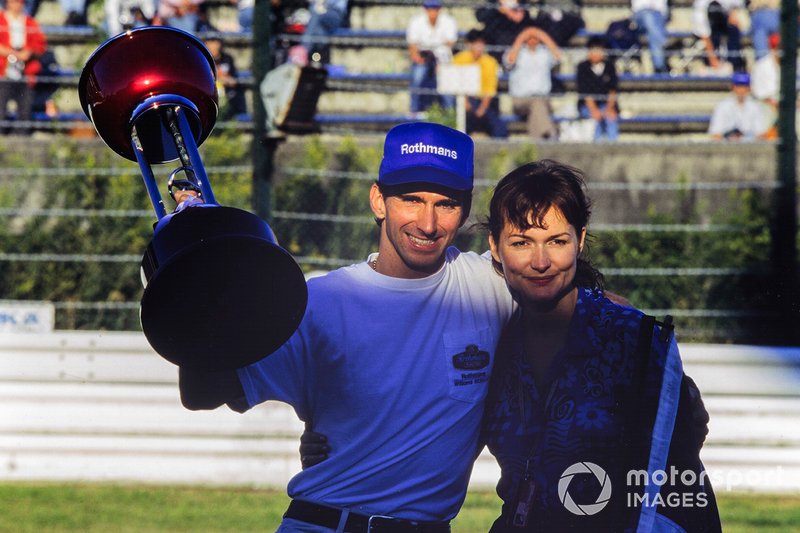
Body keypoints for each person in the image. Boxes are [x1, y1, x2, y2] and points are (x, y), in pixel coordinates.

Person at [178, 122, 517, 531]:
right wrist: (196, 286)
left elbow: (588, 305)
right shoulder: (319, 302)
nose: (428, 223)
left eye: (445, 203)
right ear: (378, 200)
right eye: (410, 199)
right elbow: (202, 392)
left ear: (465, 209)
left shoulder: (494, 288)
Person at [481, 160, 722, 532]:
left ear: (579, 240)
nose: (541, 262)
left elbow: (685, 462)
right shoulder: (487, 337)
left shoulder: (634, 338)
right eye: (521, 243)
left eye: (557, 241)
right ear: (495, 247)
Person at [503, 26, 561, 140]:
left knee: (536, 109)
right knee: (537, 104)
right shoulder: (518, 53)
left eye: (535, 37)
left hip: (543, 99)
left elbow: (558, 56)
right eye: (529, 37)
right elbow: (510, 61)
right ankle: (551, 134)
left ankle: (537, 141)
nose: (532, 39)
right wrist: (522, 36)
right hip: (521, 99)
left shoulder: (545, 54)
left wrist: (541, 34)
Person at [0, 0, 46, 135]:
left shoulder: (30, 23)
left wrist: (28, 52)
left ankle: (20, 140)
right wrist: (10, 53)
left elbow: (40, 46)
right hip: (4, 71)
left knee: (25, 111)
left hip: (25, 72)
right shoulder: (1, 20)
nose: (17, 5)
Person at [452, 28, 508, 138]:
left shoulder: (490, 62)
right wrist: (465, 102)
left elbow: (490, 89)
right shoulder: (459, 60)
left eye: (481, 44)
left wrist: (482, 108)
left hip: (484, 101)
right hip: (464, 100)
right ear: (469, 44)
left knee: (500, 128)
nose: (479, 47)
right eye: (476, 44)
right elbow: (455, 83)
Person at [405, 0, 457, 116]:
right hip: (423, 55)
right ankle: (414, 110)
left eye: (435, 8)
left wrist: (437, 56)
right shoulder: (416, 21)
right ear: (425, 9)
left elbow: (450, 43)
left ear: (440, 9)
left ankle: (450, 112)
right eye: (429, 8)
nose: (432, 11)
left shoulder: (448, 21)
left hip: (442, 56)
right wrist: (417, 57)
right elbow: (412, 45)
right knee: (417, 77)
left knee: (446, 82)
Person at [576, 36, 620, 142]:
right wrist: (594, 110)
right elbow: (585, 92)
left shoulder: (610, 67)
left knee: (611, 118)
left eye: (598, 50)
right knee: (595, 120)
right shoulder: (582, 67)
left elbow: (613, 90)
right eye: (593, 50)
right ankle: (596, 147)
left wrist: (609, 108)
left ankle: (613, 146)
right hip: (588, 106)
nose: (595, 53)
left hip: (606, 104)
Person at [708, 72, 769, 140]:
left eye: (744, 86)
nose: (741, 90)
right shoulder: (723, 106)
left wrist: (745, 138)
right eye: (738, 86)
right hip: (727, 146)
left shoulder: (755, 107)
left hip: (749, 147)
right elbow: (715, 134)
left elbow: (761, 134)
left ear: (749, 88)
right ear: (733, 88)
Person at [691, 0, 745, 72]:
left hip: (725, 20)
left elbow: (736, 4)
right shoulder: (700, 10)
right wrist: (714, 61)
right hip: (710, 32)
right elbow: (704, 37)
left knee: (733, 28)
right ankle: (709, 63)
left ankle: (735, 64)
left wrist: (733, 12)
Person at [205, 36, 247, 120]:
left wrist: (220, 76)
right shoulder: (203, 57)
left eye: (216, 42)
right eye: (211, 42)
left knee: (236, 93)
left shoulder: (227, 58)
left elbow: (232, 80)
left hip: (227, 91)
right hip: (210, 90)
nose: (214, 45)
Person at [300, 0, 349, 64]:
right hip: (318, 15)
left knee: (315, 14)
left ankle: (304, 50)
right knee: (319, 30)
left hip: (335, 14)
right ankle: (315, 56)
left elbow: (339, 6)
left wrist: (324, 3)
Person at [632, 0, 669, 74]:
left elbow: (662, 7)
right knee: (649, 18)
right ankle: (662, 41)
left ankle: (659, 68)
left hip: (658, 15)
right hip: (640, 15)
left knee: (652, 34)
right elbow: (637, 6)